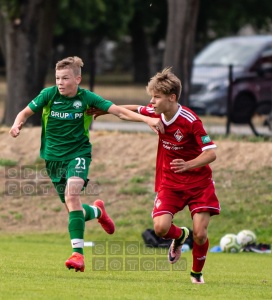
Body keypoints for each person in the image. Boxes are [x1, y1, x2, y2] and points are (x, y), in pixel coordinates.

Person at [9, 56, 164, 272]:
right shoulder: (48, 95)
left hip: (78, 154)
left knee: (72, 196)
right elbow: (24, 112)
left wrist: (148, 120)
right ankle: (98, 212)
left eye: (65, 78)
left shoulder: (87, 98)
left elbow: (118, 111)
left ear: (78, 79)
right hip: (52, 159)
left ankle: (78, 256)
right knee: (75, 211)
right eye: (57, 78)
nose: (60, 83)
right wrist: (17, 125)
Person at [89, 67, 219, 284]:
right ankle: (179, 236)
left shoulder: (190, 120)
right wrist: (106, 110)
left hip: (199, 184)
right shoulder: (156, 112)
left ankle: (196, 275)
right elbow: (135, 110)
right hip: (171, 183)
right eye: (151, 96)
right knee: (160, 228)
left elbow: (211, 153)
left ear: (172, 97)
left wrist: (188, 165)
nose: (152, 101)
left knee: (201, 234)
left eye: (156, 97)